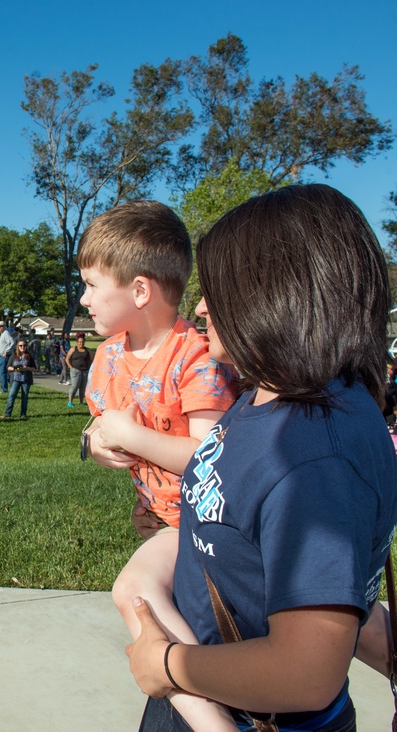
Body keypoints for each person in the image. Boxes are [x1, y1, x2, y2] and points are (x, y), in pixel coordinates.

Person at [127, 184, 397, 732]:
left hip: (241, 708)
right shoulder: (268, 398)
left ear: (274, 295)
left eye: (219, 289)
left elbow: (305, 672)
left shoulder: (314, 455)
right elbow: (334, 586)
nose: (201, 306)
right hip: (206, 690)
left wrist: (166, 665)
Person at [80, 200, 237, 731]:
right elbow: (100, 431)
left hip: (205, 520)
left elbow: (212, 455)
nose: (84, 299)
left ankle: (217, 712)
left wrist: (131, 436)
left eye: (93, 285)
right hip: (163, 521)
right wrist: (96, 445)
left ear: (140, 291)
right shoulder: (106, 358)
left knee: (133, 593)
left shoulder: (193, 356)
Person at [1, 338, 36, 420]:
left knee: (25, 397)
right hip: (15, 379)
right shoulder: (13, 356)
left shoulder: (29, 356)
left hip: (26, 380)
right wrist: (17, 369)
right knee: (11, 396)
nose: (22, 347)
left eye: (24, 345)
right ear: (17, 346)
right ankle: (7, 413)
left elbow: (34, 368)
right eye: (20, 345)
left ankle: (23, 414)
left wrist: (27, 368)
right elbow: (8, 367)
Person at [65, 334, 94, 407]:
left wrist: (89, 366)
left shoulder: (87, 350)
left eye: (83, 342)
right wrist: (71, 367)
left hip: (84, 371)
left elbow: (92, 359)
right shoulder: (73, 349)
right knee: (75, 386)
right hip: (75, 370)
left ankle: (81, 402)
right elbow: (67, 359)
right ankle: (70, 402)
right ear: (77, 342)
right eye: (79, 342)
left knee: (82, 387)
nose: (81, 343)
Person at [0, 320, 15, 393]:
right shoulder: (3, 334)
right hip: (3, 356)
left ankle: (4, 389)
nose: (0, 327)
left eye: (1, 326)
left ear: (5, 327)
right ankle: (12, 387)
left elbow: (12, 343)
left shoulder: (6, 333)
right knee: (6, 373)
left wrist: (6, 351)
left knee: (2, 372)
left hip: (5, 356)